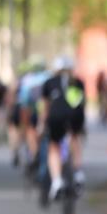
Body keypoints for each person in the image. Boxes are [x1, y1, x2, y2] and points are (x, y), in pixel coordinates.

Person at [39, 56, 87, 200]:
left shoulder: (49, 83)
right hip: (75, 115)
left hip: (56, 115)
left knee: (54, 147)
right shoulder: (77, 82)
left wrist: (41, 125)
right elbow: (81, 105)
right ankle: (78, 173)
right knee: (75, 138)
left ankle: (57, 181)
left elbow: (45, 107)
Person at [15, 56, 48, 171]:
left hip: (34, 112)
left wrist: (23, 123)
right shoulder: (49, 77)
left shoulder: (28, 80)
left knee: (30, 132)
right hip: (49, 113)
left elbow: (24, 103)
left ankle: (34, 154)